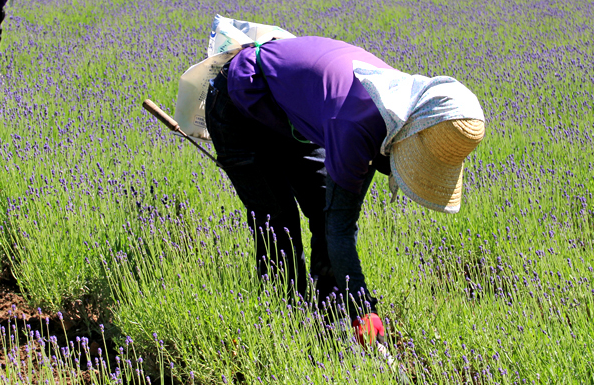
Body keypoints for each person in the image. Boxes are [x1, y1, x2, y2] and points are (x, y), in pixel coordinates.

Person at [204, 35, 485, 346]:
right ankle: (288, 328)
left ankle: (332, 321)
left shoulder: (397, 110)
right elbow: (341, 226)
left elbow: (337, 219)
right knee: (277, 224)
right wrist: (363, 307)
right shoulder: (358, 124)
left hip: (290, 111)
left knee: (323, 208)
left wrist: (353, 302)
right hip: (239, 104)